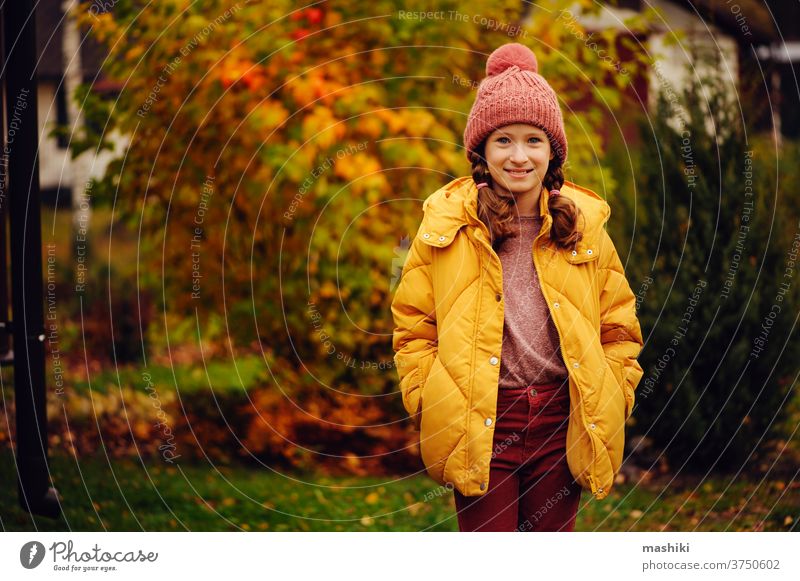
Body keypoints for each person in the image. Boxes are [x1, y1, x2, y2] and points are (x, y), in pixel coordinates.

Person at [391, 42, 645, 532]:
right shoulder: (450, 226)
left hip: (561, 421)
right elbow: (413, 328)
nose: (519, 155)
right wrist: (430, 398)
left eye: (534, 140)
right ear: (482, 151)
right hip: (481, 419)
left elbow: (619, 328)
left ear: (552, 152)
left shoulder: (584, 227)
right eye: (503, 140)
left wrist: (612, 391)